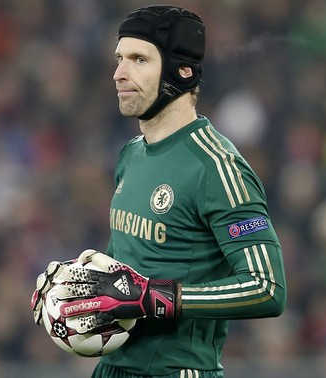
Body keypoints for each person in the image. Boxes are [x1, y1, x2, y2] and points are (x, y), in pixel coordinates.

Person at [31, 5, 287, 378]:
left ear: (181, 71)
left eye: (139, 59)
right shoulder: (131, 154)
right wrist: (73, 293)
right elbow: (126, 271)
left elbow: (267, 288)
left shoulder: (216, 167)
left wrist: (158, 297)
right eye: (119, 59)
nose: (119, 73)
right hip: (112, 370)